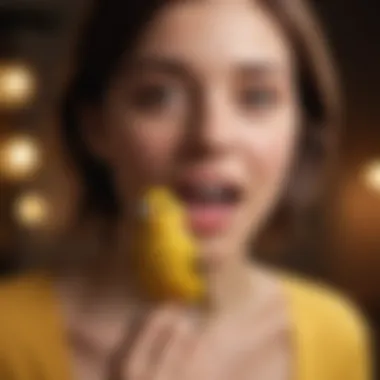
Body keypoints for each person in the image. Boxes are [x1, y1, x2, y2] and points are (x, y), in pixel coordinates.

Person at [0, 0, 372, 379]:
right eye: (158, 96)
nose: (211, 135)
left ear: (299, 128)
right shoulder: (8, 338)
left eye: (257, 96)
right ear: (95, 126)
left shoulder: (335, 335)